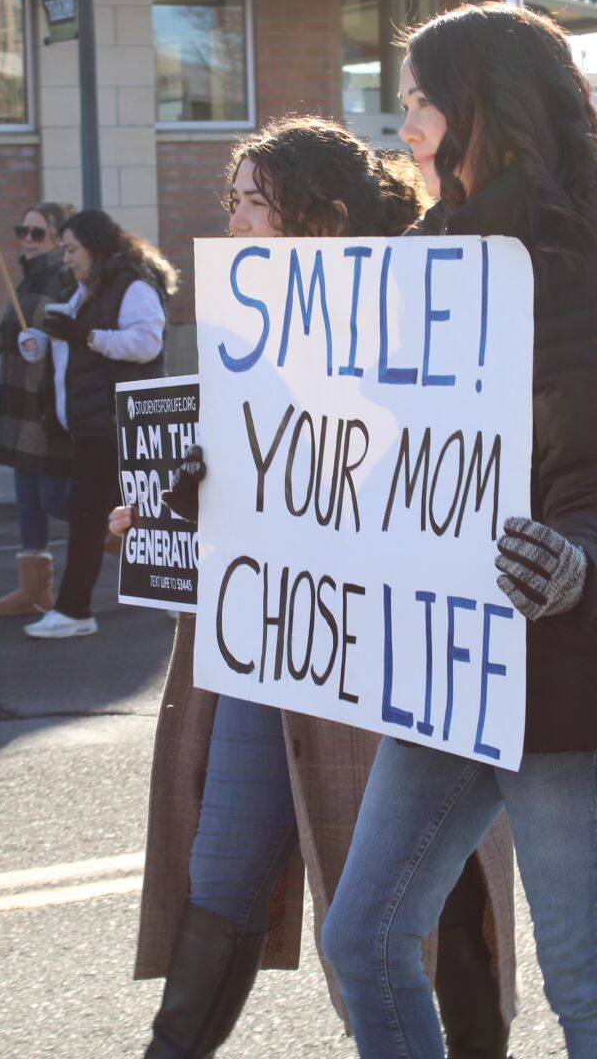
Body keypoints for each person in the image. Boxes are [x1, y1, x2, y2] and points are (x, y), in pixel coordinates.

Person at [318, 3, 597, 1059]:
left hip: (566, 666)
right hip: (447, 657)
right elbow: (347, 435)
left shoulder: (592, 259)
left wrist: (571, 564)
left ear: (484, 109)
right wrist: (220, 489)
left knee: (584, 982)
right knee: (365, 934)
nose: (405, 126)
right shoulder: (426, 252)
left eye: (423, 102)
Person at [123, 117, 517, 1059]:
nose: (234, 218)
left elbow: (430, 475)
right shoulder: (244, 332)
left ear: (321, 222)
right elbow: (242, 468)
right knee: (220, 864)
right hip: (270, 637)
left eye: (254, 200)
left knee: (432, 879)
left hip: (382, 646)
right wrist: (164, 509)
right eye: (232, 199)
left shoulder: (412, 317)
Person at [21, 210, 173, 640]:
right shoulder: (87, 290)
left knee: (94, 515)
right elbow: (69, 342)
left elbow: (147, 343)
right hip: (97, 421)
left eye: (72, 249)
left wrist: (85, 335)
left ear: (96, 247)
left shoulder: (132, 286)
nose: (65, 258)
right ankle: (176, 597)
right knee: (135, 513)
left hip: (119, 420)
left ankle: (74, 609)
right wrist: (35, 343)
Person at [0, 201, 75, 618]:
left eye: (37, 232)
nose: (27, 239)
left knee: (55, 497)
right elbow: (10, 340)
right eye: (22, 230)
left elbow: (68, 337)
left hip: (46, 405)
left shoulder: (64, 278)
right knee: (27, 498)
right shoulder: (25, 281)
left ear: (59, 239)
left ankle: (115, 535)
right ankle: (33, 590)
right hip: (19, 404)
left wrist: (48, 341)